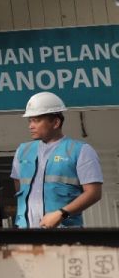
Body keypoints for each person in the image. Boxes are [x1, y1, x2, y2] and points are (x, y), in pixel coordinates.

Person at [12, 91, 103, 229]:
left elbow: (94, 193)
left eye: (36, 120)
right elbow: (19, 187)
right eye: (29, 120)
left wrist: (62, 213)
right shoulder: (22, 151)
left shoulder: (80, 150)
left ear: (55, 122)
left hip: (64, 234)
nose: (30, 126)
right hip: (26, 232)